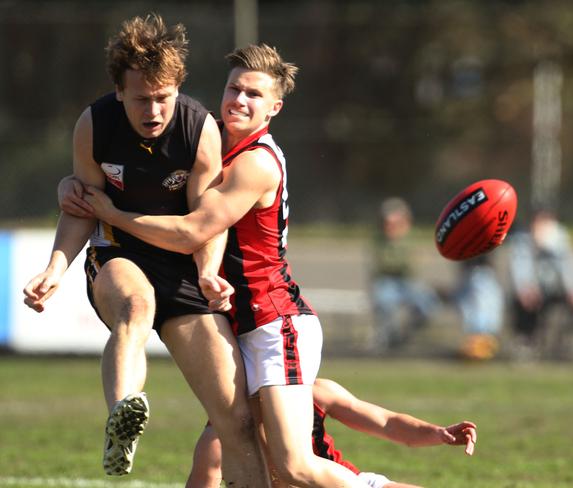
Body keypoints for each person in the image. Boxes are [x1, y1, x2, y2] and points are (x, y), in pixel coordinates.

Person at [82, 43, 368, 487]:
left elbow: (194, 230)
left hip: (274, 322)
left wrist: (112, 214)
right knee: (219, 453)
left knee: (294, 465)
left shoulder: (256, 163)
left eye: (254, 94)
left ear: (275, 106)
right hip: (235, 316)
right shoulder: (205, 134)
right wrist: (74, 183)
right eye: (234, 88)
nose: (239, 100)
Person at [22, 14, 270, 485]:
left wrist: (208, 271)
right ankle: (123, 418)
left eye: (163, 98)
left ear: (177, 88)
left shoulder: (199, 130)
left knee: (236, 423)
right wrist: (55, 267)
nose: (154, 111)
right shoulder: (94, 125)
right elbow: (80, 205)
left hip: (181, 263)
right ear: (120, 91)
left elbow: (206, 220)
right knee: (136, 305)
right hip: (119, 255)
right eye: (141, 99)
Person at [186, 378, 478, 488]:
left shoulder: (314, 391)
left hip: (349, 483)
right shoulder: (221, 433)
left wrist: (438, 433)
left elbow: (387, 423)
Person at [507, 209, 573, 359]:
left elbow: (568, 265)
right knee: (523, 303)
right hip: (534, 290)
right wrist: (525, 287)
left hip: (556, 288)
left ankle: (562, 345)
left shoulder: (558, 238)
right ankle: (527, 342)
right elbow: (520, 266)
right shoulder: (522, 240)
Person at [369, 198, 439, 352]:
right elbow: (386, 264)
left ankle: (407, 333)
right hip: (388, 281)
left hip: (408, 282)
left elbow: (412, 266)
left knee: (428, 304)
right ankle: (388, 338)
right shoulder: (379, 241)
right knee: (384, 300)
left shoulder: (410, 238)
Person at [452, 255, 504, 361]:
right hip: (474, 270)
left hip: (480, 270)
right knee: (477, 307)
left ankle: (480, 344)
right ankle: (478, 345)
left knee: (482, 306)